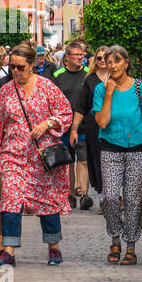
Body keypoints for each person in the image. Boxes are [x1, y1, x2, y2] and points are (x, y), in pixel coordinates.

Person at [0, 43, 74, 267]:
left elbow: (65, 112)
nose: (16, 71)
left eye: (21, 67)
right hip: (12, 155)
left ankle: (54, 248)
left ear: (32, 65)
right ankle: (9, 251)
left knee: (47, 202)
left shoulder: (47, 87)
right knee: (11, 200)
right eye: (12, 67)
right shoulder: (5, 91)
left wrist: (48, 123)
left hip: (41, 156)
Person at [93, 45, 142, 265]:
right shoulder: (101, 90)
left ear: (127, 63)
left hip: (138, 149)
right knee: (109, 197)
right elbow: (102, 121)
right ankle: (114, 238)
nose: (113, 66)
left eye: (117, 61)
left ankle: (130, 244)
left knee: (132, 199)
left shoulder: (140, 87)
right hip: (111, 148)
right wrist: (109, 93)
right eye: (109, 62)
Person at [51, 41, 92, 209]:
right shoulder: (58, 74)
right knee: (68, 162)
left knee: (83, 160)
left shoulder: (89, 73)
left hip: (84, 125)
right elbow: (51, 98)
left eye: (82, 55)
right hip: (63, 127)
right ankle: (70, 194)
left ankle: (83, 194)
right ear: (67, 57)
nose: (81, 58)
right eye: (77, 55)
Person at [76, 45, 110, 203]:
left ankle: (115, 196)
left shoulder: (116, 77)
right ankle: (105, 197)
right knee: (97, 160)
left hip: (113, 125)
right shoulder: (89, 80)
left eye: (105, 58)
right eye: (99, 58)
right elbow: (81, 107)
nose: (102, 60)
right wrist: (74, 129)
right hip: (93, 126)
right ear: (94, 60)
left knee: (113, 159)